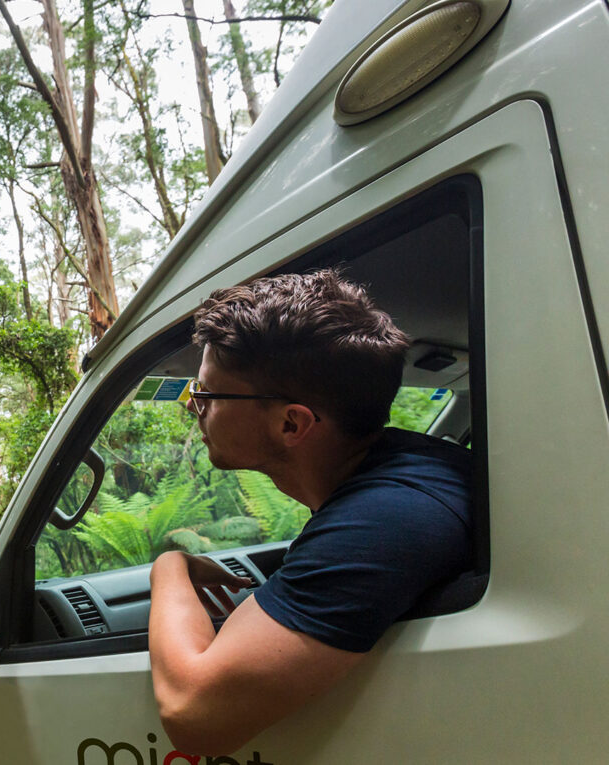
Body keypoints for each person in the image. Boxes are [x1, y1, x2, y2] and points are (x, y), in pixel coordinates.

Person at [147, 269, 472, 755]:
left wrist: (168, 567)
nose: (195, 409)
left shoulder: (385, 520)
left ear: (291, 423)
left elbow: (194, 715)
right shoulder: (413, 470)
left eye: (206, 395)